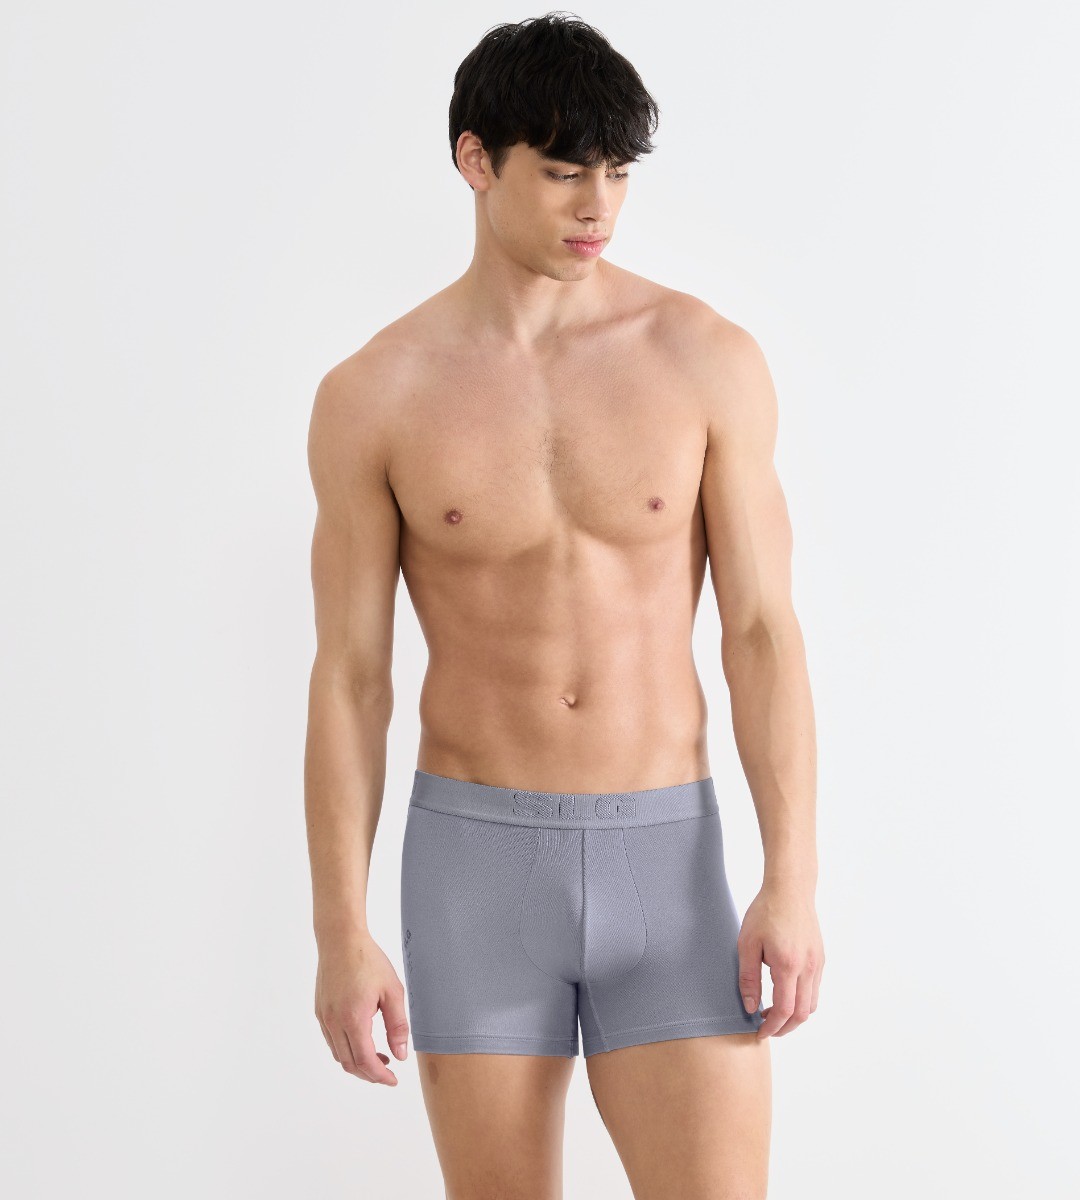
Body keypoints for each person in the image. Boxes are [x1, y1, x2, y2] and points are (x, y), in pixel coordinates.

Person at [304, 12, 823, 1198]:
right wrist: (340, 928)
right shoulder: (374, 394)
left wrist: (791, 878)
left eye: (618, 173)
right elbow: (351, 678)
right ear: (475, 161)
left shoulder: (703, 358)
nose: (599, 208)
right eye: (563, 173)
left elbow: (761, 633)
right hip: (474, 871)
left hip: (667, 863)